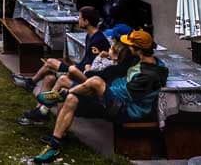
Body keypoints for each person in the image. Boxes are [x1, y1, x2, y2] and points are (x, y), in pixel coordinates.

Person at [32, 29, 169, 162]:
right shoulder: (143, 60)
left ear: (137, 49)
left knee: (95, 82)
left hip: (126, 109)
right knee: (72, 98)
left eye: (130, 45)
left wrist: (100, 88)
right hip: (115, 97)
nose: (127, 47)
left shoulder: (148, 75)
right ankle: (55, 143)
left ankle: (63, 94)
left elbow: (124, 96)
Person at [14, 6, 110, 122]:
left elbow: (92, 68)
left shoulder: (98, 40)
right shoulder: (90, 35)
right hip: (80, 70)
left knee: (51, 64)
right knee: (49, 78)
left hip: (87, 78)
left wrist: (74, 70)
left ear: (86, 21)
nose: (78, 20)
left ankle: (32, 85)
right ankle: (40, 112)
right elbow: (86, 61)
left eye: (80, 18)